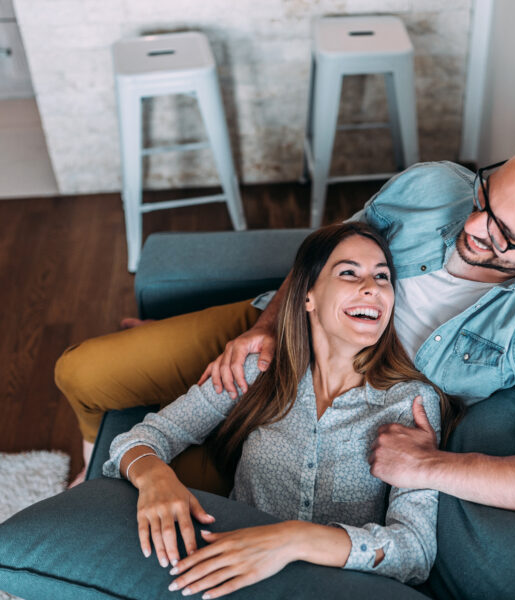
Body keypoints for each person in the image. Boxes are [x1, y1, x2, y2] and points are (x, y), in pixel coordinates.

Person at [58, 119, 515, 525]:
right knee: (82, 371)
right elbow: (331, 252)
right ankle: (93, 453)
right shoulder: (436, 184)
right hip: (279, 331)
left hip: (339, 411)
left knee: (154, 498)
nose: (475, 223)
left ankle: (118, 455)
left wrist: (432, 465)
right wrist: (263, 329)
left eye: (503, 235)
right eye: (486, 193)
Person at [101, 222, 453, 598]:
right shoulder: (259, 371)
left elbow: (414, 551)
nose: (372, 287)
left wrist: (291, 540)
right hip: (230, 584)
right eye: (349, 272)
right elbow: (145, 437)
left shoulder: (411, 403)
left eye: (382, 277)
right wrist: (154, 477)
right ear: (308, 296)